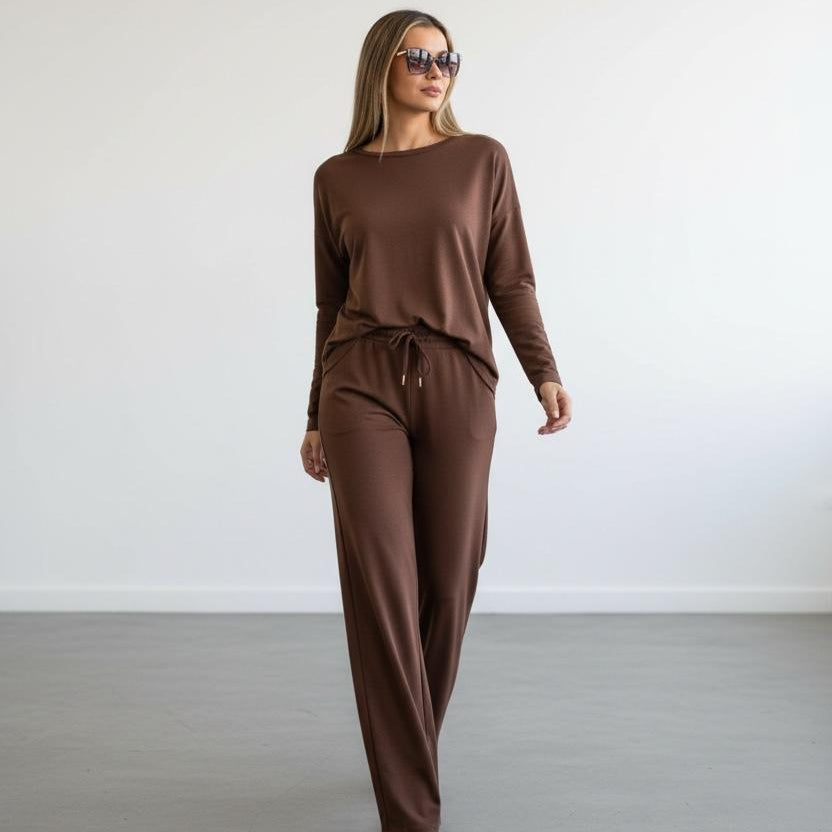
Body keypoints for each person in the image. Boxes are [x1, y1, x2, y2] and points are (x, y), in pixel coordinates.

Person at [299, 10, 572, 832]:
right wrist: (314, 412)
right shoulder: (337, 177)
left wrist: (544, 371)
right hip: (360, 383)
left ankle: (407, 746)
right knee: (382, 583)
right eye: (418, 57)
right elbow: (329, 304)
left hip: (458, 378)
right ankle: (410, 811)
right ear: (381, 67)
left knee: (450, 582)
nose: (435, 71)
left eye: (447, 58)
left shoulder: (482, 159)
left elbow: (509, 279)